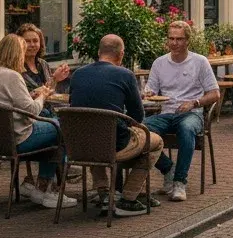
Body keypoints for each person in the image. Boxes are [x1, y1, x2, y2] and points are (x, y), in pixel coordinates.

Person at [0, 33, 76, 209]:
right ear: (16, 54)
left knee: (54, 138)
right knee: (63, 127)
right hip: (17, 139)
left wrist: (32, 94)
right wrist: (43, 95)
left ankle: (41, 187)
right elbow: (33, 111)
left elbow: (6, 101)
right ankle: (47, 189)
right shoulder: (12, 76)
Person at [68, 34, 164, 216]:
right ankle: (128, 198)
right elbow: (137, 116)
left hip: (80, 145)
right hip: (114, 144)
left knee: (92, 131)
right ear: (121, 54)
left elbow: (74, 107)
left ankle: (104, 192)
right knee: (156, 142)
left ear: (99, 52)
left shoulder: (78, 74)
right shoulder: (125, 75)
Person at [143, 21, 221, 202]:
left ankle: (179, 182)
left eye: (179, 39)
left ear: (187, 41)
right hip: (165, 113)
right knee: (141, 130)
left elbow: (215, 94)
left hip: (191, 113)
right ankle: (168, 169)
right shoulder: (159, 63)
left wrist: (194, 103)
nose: (174, 43)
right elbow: (150, 91)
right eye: (171, 38)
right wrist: (149, 94)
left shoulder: (200, 62)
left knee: (186, 129)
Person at [17, 23, 70, 95]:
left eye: (35, 41)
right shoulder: (15, 66)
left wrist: (56, 78)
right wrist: (54, 78)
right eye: (27, 41)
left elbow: (49, 90)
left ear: (40, 43)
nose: (32, 45)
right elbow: (21, 97)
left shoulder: (43, 64)